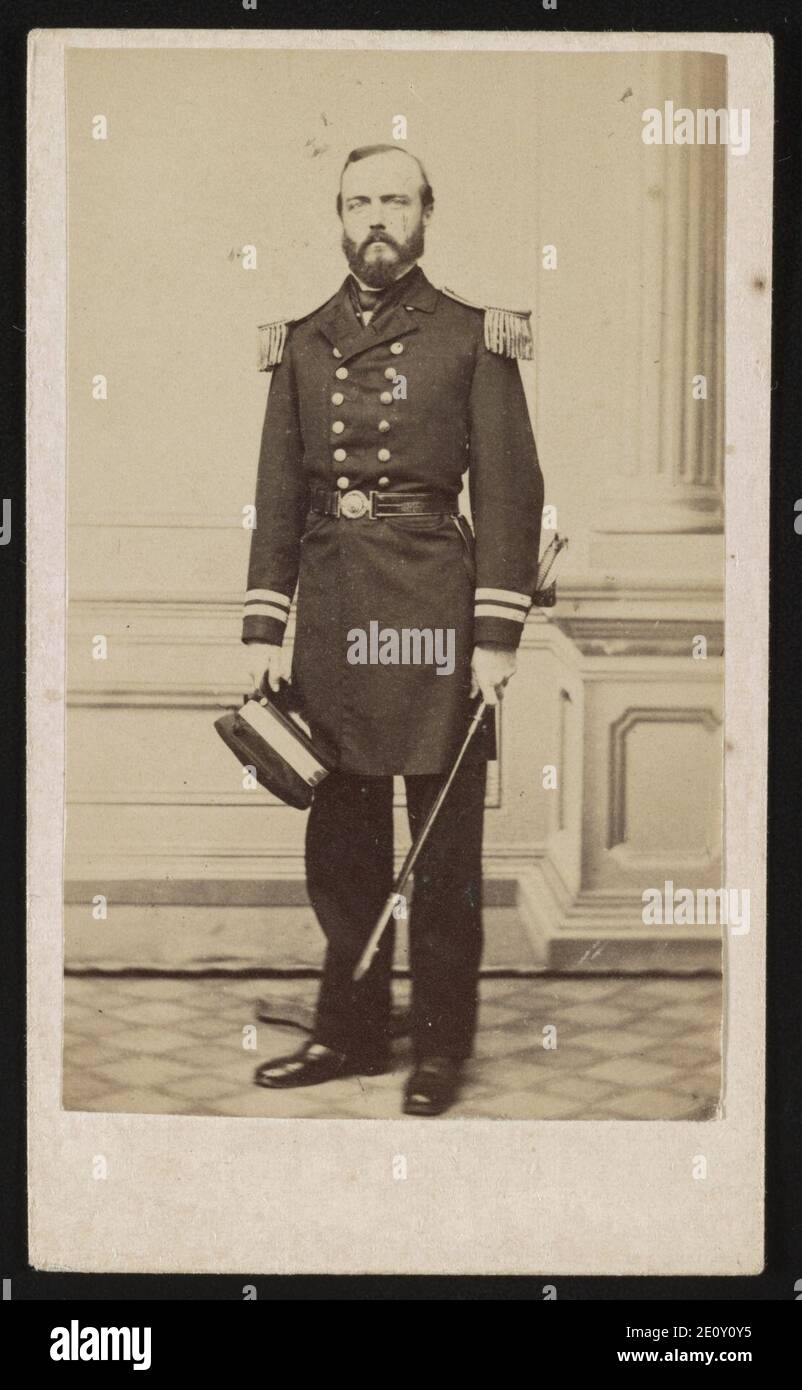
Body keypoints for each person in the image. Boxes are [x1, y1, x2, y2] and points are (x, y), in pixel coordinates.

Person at [241, 144, 544, 1115]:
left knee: (444, 849)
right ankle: (351, 1031)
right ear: (337, 215)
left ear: (426, 212)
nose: (378, 217)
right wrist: (264, 621)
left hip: (435, 613)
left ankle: (440, 1048)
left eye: (396, 200)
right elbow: (277, 487)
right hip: (333, 609)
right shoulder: (299, 339)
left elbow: (510, 487)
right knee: (342, 837)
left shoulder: (472, 335)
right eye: (359, 200)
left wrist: (496, 635)